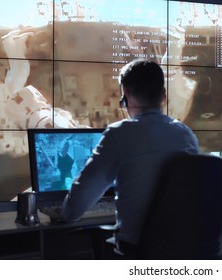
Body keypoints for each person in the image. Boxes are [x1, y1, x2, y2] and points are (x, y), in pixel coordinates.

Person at [59, 59, 199, 256]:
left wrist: (65, 214)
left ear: (125, 97)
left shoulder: (120, 133)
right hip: (184, 251)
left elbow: (79, 200)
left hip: (139, 251)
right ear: (164, 95)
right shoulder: (186, 135)